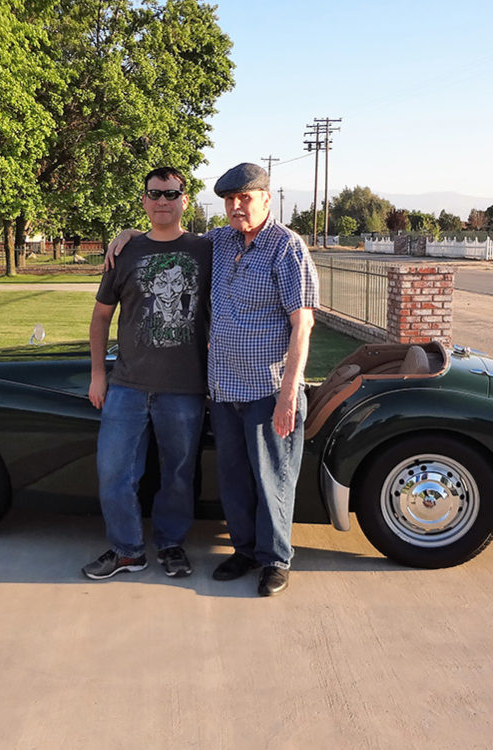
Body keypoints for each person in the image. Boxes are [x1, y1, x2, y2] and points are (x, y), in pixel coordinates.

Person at [108, 162, 319, 596]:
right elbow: (167, 234)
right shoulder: (219, 242)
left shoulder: (287, 248)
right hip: (224, 389)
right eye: (229, 200)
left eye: (245, 198)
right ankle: (243, 551)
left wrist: (288, 396)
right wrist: (127, 235)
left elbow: (303, 324)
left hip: (268, 388)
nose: (237, 207)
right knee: (234, 478)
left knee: (273, 478)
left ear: (266, 197)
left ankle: (275, 559)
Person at [82, 167, 212, 580]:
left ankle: (171, 545)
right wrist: (98, 375)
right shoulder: (125, 253)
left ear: (184, 201)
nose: (162, 201)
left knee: (178, 474)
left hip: (185, 388)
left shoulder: (207, 250)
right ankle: (126, 550)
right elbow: (101, 318)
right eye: (155, 194)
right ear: (144, 200)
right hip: (127, 386)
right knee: (114, 473)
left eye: (171, 194)